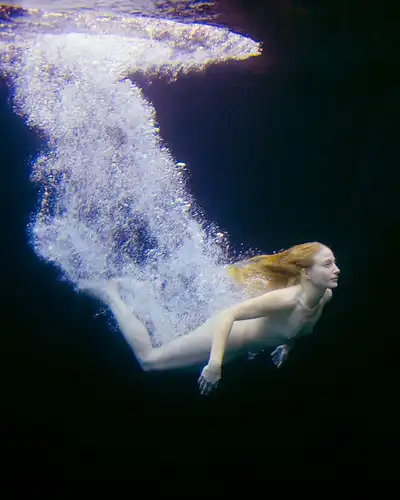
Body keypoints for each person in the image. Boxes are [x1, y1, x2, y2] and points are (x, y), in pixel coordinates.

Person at [79, 242, 340, 395]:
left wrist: (287, 344)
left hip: (237, 351)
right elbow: (229, 315)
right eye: (327, 264)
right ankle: (111, 294)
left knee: (171, 364)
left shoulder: (324, 296)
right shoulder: (288, 299)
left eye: (334, 262)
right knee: (150, 360)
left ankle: (142, 297)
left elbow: (298, 324)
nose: (336, 269)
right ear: (306, 273)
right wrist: (214, 365)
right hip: (224, 338)